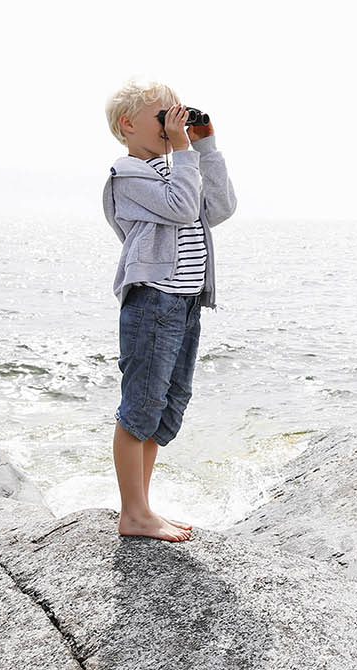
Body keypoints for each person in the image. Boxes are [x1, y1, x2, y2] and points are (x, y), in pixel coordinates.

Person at [101, 79, 237, 541]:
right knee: (139, 404)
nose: (174, 123)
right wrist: (183, 153)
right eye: (165, 116)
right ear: (128, 123)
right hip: (152, 300)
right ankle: (133, 513)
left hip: (185, 303)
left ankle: (143, 507)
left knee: (165, 406)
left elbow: (217, 208)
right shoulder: (128, 175)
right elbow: (182, 209)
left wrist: (205, 146)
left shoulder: (179, 168)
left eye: (178, 115)